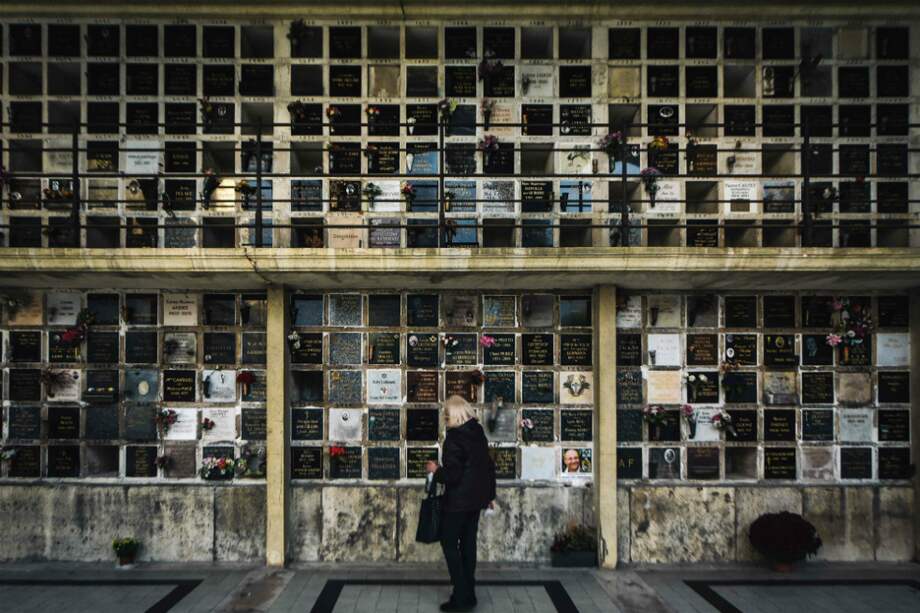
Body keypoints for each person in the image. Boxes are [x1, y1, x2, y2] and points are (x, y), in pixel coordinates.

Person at [426, 395, 496, 613]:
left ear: (454, 415)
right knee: (468, 545)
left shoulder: (454, 438)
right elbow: (488, 467)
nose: (445, 418)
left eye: (446, 414)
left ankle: (461, 594)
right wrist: (490, 496)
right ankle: (470, 594)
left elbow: (452, 476)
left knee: (449, 544)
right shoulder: (478, 433)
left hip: (457, 502)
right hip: (476, 501)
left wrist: (435, 471)